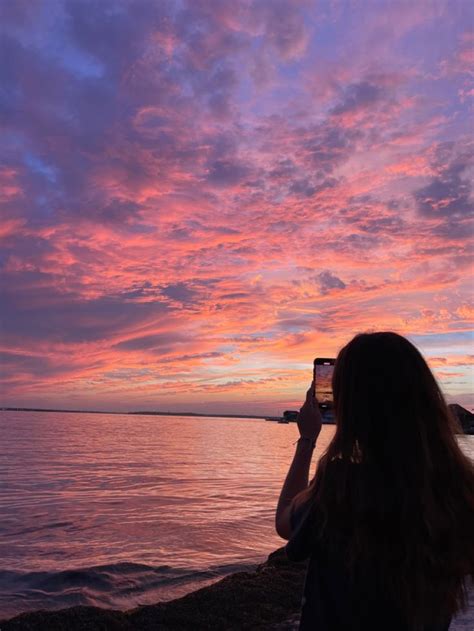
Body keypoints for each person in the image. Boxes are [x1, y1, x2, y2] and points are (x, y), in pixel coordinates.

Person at [275, 332, 474, 631]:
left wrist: (306, 440)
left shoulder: (342, 484)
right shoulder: (460, 486)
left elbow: (285, 523)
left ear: (352, 406)